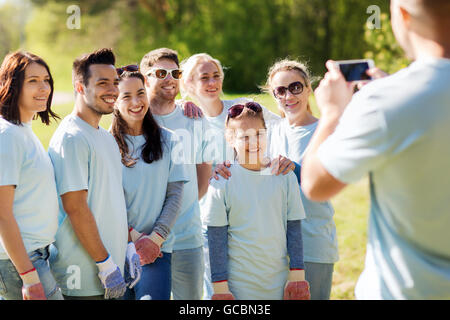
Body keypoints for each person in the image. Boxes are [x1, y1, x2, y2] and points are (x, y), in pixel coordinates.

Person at [301, 0, 450, 299]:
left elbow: (315, 184)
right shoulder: (389, 97)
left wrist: (331, 113)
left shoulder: (386, 101)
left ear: (403, 15)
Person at [180, 53, 294, 299]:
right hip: (209, 222)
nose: (212, 83)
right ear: (189, 84)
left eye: (216, 76)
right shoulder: (186, 120)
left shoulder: (243, 109)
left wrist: (282, 158)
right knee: (218, 289)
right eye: (204, 78)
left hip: (250, 217)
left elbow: (283, 129)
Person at [48, 48, 139, 300]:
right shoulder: (72, 138)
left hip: (109, 272)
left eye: (114, 83)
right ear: (80, 87)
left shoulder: (104, 136)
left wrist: (128, 246)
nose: (112, 90)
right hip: (84, 279)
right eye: (102, 83)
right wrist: (106, 265)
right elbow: (75, 207)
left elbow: (114, 200)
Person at [203, 102, 310, 300]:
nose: (254, 142)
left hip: (279, 284)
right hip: (237, 288)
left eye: (259, 134)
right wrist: (220, 289)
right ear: (230, 139)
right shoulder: (222, 181)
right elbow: (216, 239)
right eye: (245, 137)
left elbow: (294, 228)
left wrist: (297, 276)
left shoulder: (284, 175)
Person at [140, 48, 213, 300]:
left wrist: (186, 205)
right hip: (145, 239)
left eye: (175, 72)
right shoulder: (133, 118)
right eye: (161, 72)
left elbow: (203, 175)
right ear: (145, 78)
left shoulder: (194, 118)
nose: (170, 78)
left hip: (187, 237)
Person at [263, 58, 339, 300]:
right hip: (273, 246)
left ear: (308, 88)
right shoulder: (270, 130)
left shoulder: (326, 130)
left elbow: (330, 181)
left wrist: (295, 169)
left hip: (312, 243)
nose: (289, 96)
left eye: (295, 87)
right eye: (280, 90)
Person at [111, 68, 188, 300]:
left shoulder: (171, 140)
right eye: (126, 96)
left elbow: (175, 195)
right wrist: (135, 238)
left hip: (157, 251)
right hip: (117, 248)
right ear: (114, 101)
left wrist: (154, 240)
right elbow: (106, 202)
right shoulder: (106, 145)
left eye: (140, 93)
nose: (136, 102)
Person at [0, 51, 63, 300]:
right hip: (21, 261)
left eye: (46, 80)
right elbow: (2, 213)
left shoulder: (23, 131)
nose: (44, 88)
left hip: (38, 254)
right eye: (33, 81)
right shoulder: (7, 136)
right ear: (12, 85)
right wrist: (28, 275)